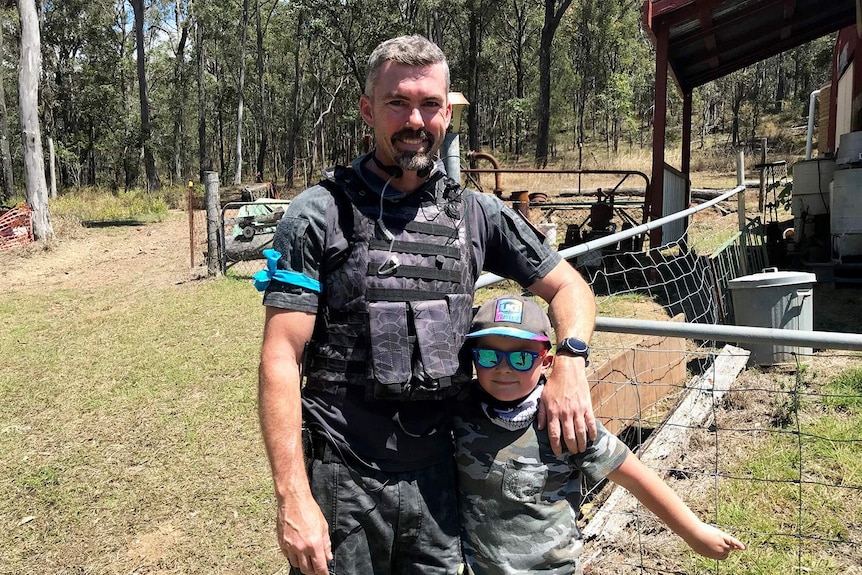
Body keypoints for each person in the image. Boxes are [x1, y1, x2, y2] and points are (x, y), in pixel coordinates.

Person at [256, 34, 597, 575]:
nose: (415, 119)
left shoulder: (477, 214)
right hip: (344, 480)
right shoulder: (318, 214)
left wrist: (571, 360)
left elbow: (570, 287)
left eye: (430, 104)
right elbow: (280, 357)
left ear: (447, 112)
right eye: (398, 102)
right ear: (369, 110)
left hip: (442, 479)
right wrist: (292, 497)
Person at [455, 294, 746, 575]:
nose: (503, 369)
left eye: (521, 358)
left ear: (546, 362)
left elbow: (633, 475)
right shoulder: (459, 410)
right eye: (489, 356)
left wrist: (694, 531)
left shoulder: (563, 420)